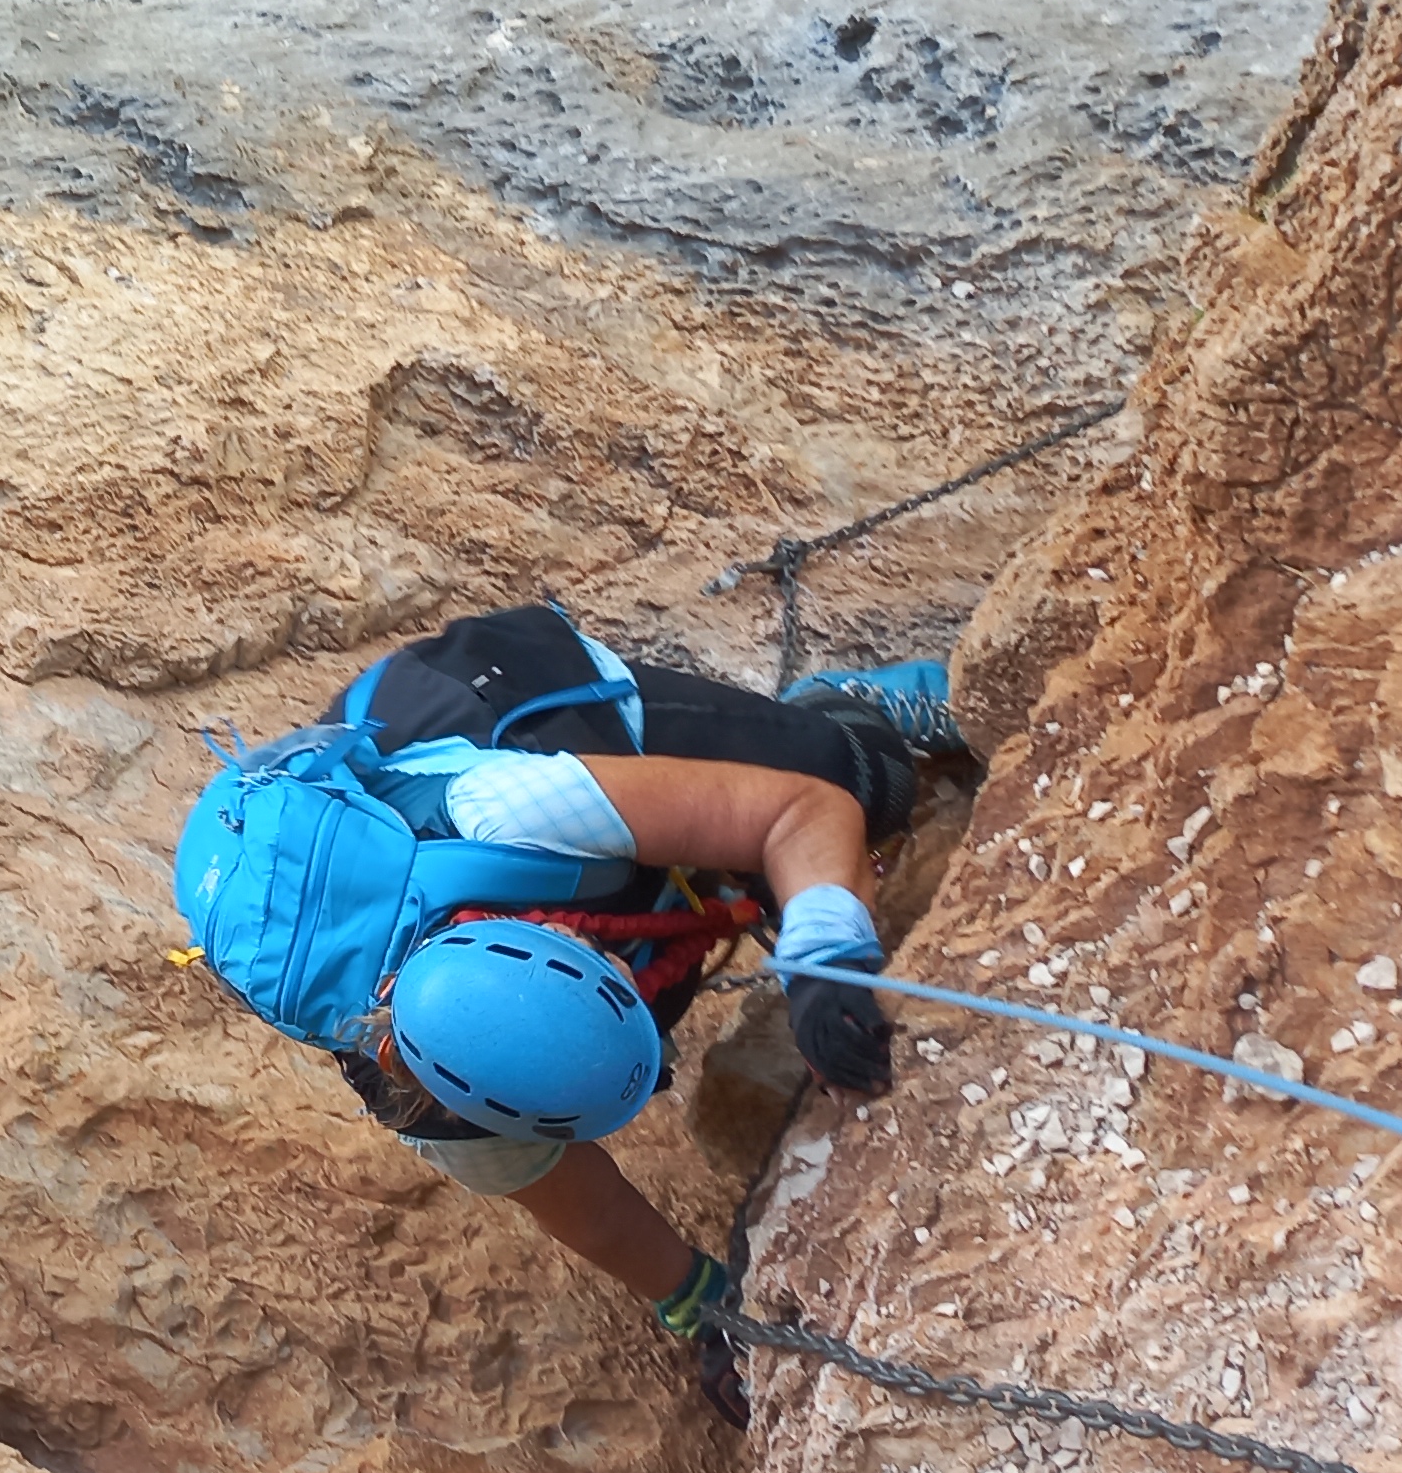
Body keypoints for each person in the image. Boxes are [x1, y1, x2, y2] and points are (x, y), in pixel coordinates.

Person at [171, 602, 966, 1426]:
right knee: (717, 904)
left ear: (550, 933)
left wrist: (824, 958)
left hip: (499, 704)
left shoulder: (512, 810)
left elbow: (799, 811)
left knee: (862, 778)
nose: (624, 973)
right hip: (422, 896)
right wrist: (704, 1307)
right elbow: (584, 1205)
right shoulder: (438, 1105)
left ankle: (840, 704)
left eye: (608, 972)